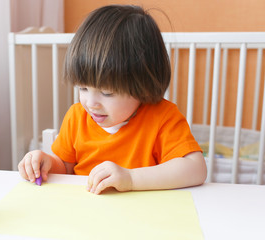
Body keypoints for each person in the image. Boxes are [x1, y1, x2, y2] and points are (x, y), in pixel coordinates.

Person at [18, 4, 207, 194]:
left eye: (107, 93)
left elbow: (196, 169)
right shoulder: (77, 117)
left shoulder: (162, 117)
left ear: (142, 85)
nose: (91, 103)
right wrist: (46, 163)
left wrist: (131, 178)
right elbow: (65, 168)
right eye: (83, 88)